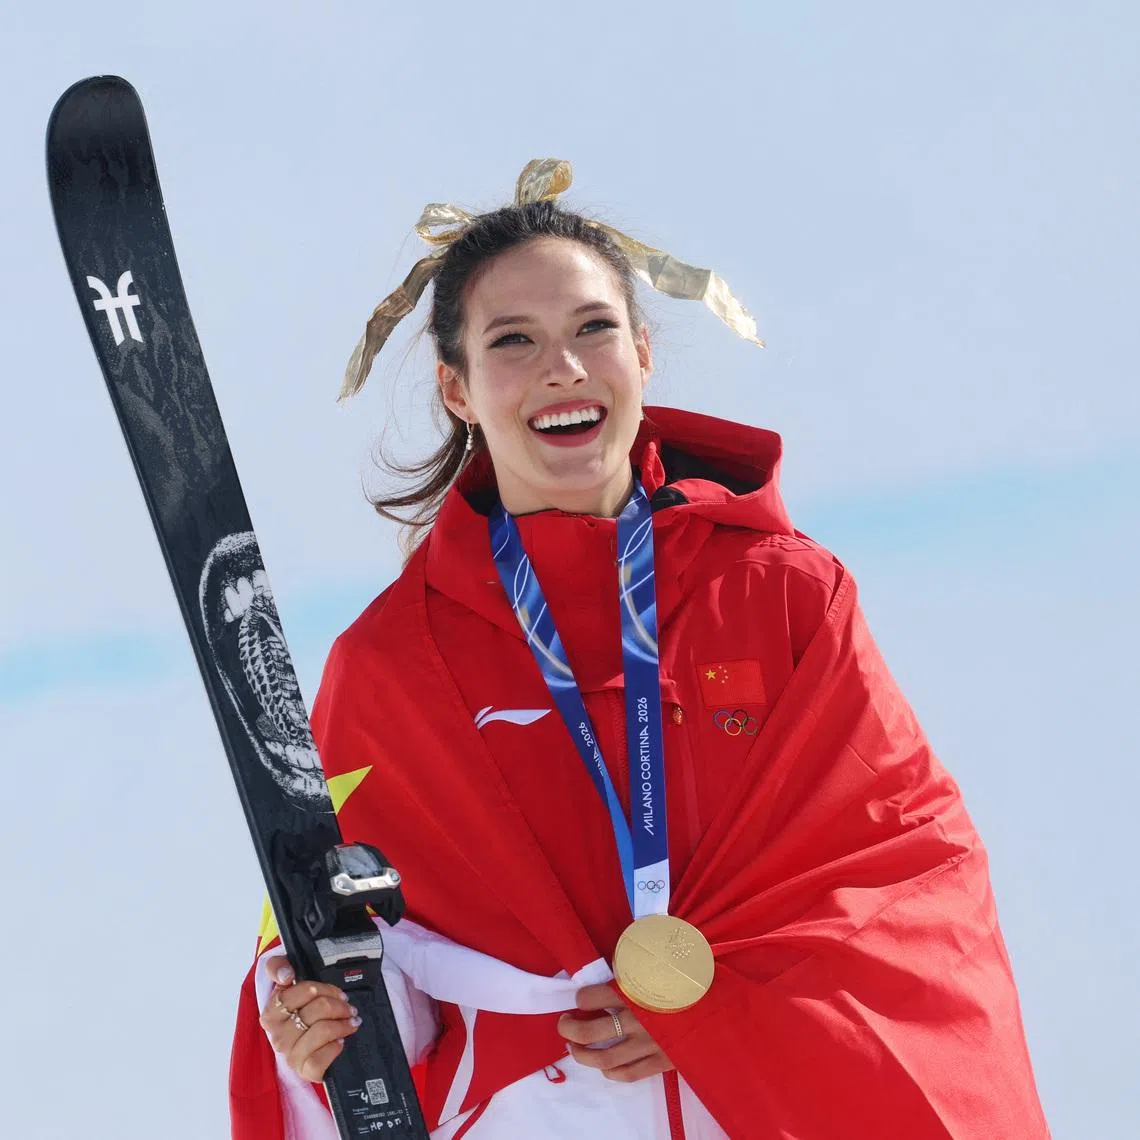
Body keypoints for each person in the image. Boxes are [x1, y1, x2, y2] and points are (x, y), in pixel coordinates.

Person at [229, 161, 1051, 1139]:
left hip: (754, 1103)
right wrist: (327, 1021)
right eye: (513, 341)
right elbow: (366, 941)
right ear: (456, 388)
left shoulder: (781, 591)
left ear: (644, 351)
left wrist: (723, 1011)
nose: (562, 368)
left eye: (592, 329)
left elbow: (898, 881)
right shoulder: (391, 665)